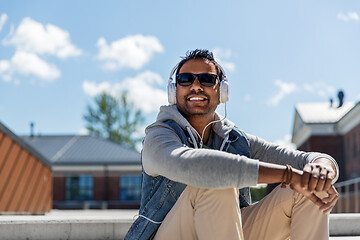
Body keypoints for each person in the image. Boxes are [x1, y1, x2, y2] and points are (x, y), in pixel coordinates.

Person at [125, 49, 339, 240]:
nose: (196, 86)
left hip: (225, 231)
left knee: (311, 186)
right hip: (171, 234)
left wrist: (321, 169)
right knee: (214, 181)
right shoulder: (159, 136)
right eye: (186, 79)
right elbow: (195, 167)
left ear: (222, 91)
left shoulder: (236, 139)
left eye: (207, 80)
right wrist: (288, 175)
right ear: (174, 90)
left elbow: (306, 159)